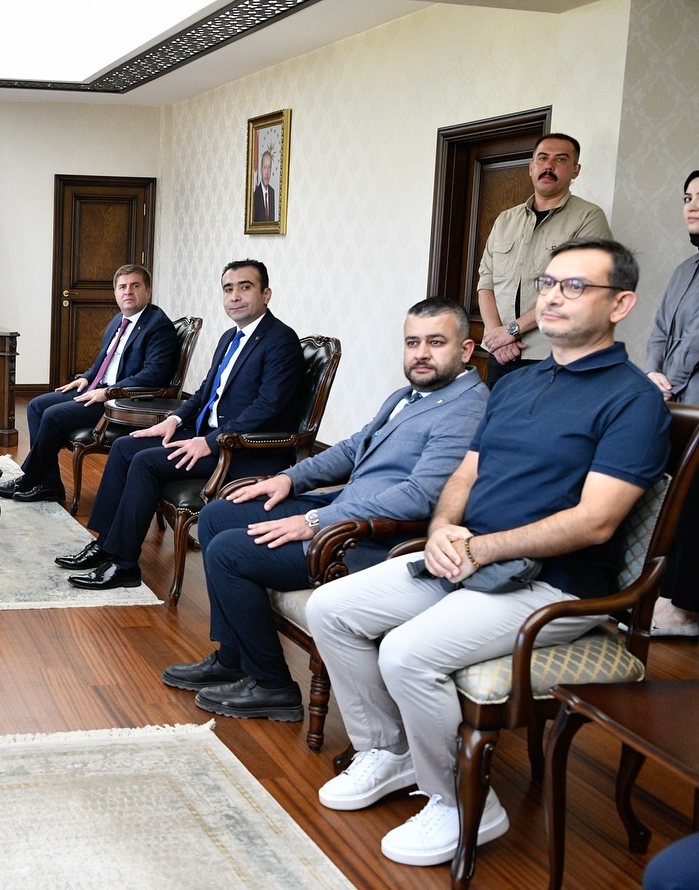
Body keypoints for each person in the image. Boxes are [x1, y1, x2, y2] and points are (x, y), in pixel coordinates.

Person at [306, 238, 669, 868]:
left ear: (621, 305)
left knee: (407, 652)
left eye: (575, 286)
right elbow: (466, 473)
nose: (552, 297)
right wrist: (445, 529)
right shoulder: (515, 382)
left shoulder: (633, 400)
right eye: (549, 283)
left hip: (556, 585)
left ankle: (462, 801)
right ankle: (389, 752)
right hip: (472, 559)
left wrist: (479, 547)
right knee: (330, 609)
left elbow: (595, 522)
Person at [163, 298, 488, 721]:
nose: (421, 353)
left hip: (370, 540)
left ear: (466, 350)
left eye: (436, 342)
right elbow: (352, 449)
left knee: (228, 552)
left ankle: (273, 685)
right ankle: (233, 658)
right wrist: (288, 479)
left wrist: (314, 521)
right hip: (343, 507)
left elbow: (418, 497)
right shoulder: (407, 395)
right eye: (413, 342)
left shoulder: (467, 409)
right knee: (218, 514)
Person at [59, 259, 305, 590]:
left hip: (243, 450)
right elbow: (204, 392)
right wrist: (173, 420)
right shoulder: (230, 337)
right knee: (124, 447)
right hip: (207, 434)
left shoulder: (281, 340)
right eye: (228, 289)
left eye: (245, 287)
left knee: (145, 462)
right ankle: (105, 544)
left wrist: (210, 441)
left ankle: (125, 564)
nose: (234, 296)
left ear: (266, 294)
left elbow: (268, 407)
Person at [0, 263, 179, 503]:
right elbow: (104, 360)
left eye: (135, 286)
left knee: (52, 416)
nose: (128, 292)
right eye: (122, 287)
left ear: (148, 292)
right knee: (36, 406)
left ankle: (31, 478)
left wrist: (109, 392)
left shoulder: (158, 325)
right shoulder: (119, 320)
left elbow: (153, 375)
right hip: (98, 389)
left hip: (123, 401)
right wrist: (85, 377)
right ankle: (49, 484)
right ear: (115, 293)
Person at [477, 133, 612, 385]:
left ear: (575, 170)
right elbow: (486, 281)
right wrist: (497, 335)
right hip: (501, 355)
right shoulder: (506, 220)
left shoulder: (589, 217)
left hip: (554, 355)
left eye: (561, 159)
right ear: (531, 167)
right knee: (498, 413)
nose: (549, 166)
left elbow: (578, 288)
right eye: (542, 158)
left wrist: (512, 330)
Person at [642, 170, 699, 637]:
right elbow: (661, 328)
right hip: (672, 397)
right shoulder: (685, 269)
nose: (692, 205)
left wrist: (669, 381)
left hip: (692, 398)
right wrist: (652, 374)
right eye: (687, 197)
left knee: (695, 500)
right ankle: (662, 594)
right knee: (671, 499)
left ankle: (686, 609)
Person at [252, 150, 276, 223]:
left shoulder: (272, 192)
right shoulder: (255, 195)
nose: (267, 172)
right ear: (261, 169)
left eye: (269, 167)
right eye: (265, 167)